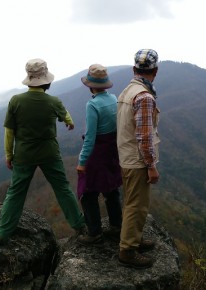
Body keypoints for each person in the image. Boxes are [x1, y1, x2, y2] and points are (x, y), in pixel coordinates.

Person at [0, 58, 85, 245]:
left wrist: (9, 155)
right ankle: (78, 225)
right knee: (62, 188)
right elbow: (65, 114)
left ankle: (3, 232)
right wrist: (69, 121)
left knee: (16, 192)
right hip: (49, 153)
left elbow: (9, 132)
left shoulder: (16, 101)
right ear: (47, 80)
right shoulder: (53, 101)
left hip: (23, 154)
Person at [117, 49, 160, 269]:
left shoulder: (128, 90)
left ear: (134, 69)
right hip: (137, 160)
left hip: (126, 156)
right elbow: (144, 135)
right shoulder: (144, 96)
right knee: (137, 205)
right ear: (156, 70)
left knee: (133, 202)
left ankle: (135, 238)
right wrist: (151, 166)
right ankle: (128, 251)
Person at [76, 64, 122, 246]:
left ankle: (94, 233)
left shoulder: (92, 104)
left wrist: (82, 161)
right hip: (112, 151)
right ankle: (116, 226)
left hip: (97, 154)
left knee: (87, 192)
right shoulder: (114, 99)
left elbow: (90, 137)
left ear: (90, 85)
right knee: (111, 189)